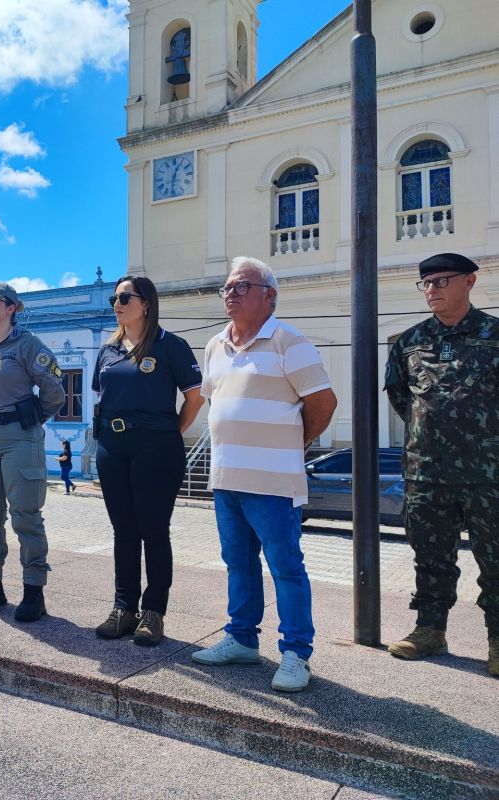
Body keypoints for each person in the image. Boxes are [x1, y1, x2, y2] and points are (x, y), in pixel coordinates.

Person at [192, 256, 337, 692]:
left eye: (242, 287)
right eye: (228, 288)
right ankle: (241, 639)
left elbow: (323, 403)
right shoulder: (215, 345)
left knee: (285, 566)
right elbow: (215, 404)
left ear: (268, 295)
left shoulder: (288, 340)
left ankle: (296, 653)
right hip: (226, 480)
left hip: (273, 482)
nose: (231, 294)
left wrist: (296, 443)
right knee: (238, 563)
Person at [384, 252, 499, 678]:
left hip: (488, 475)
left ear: (469, 281)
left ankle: (498, 639)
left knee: (496, 557)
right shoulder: (409, 342)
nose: (432, 289)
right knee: (430, 556)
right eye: (426, 283)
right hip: (426, 472)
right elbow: (402, 398)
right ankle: (429, 630)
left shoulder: (494, 336)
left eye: (441, 281)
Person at [92, 275, 204, 646]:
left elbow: (194, 399)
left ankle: (153, 611)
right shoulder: (108, 349)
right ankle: (124, 608)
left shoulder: (171, 345)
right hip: (113, 446)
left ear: (147, 303)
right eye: (114, 297)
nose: (117, 303)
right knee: (123, 530)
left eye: (125, 297)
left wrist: (169, 432)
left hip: (156, 447)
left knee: (153, 530)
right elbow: (102, 399)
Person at [0, 281, 66, 623]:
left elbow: (55, 391)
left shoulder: (28, 345)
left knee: (25, 513)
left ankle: (34, 591)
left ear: (11, 308)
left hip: (20, 438)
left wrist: (31, 419)